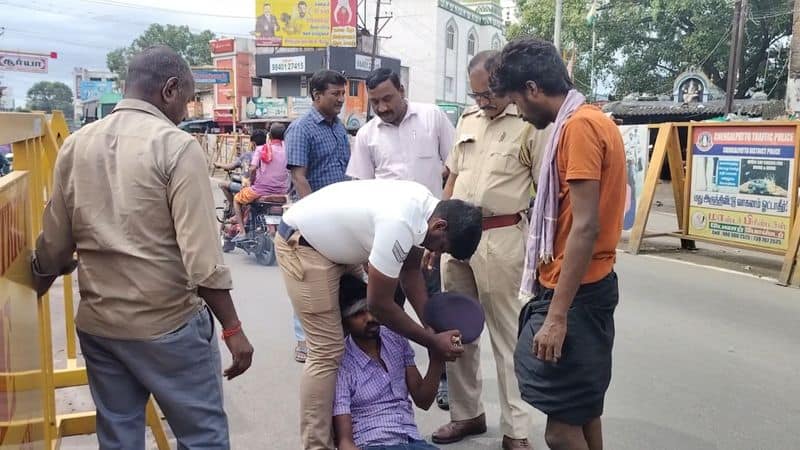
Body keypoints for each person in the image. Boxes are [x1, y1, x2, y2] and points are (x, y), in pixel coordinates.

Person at [30, 46, 254, 449]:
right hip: (167, 327)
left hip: (100, 327)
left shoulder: (76, 145)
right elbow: (203, 261)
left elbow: (54, 248)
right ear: (170, 89)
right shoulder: (177, 147)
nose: (186, 112)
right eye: (186, 100)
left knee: (118, 437)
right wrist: (233, 329)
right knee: (202, 437)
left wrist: (33, 286)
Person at [275, 179, 482, 450]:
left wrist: (433, 328)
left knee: (356, 336)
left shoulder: (423, 208)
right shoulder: (399, 222)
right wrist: (431, 342)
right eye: (441, 247)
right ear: (440, 226)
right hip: (304, 245)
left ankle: (356, 429)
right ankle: (319, 445)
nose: (436, 253)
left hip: (338, 250)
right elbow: (379, 304)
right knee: (328, 351)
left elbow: (409, 273)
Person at [490, 38, 626, 450]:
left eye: (515, 100)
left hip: (577, 292)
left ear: (532, 88)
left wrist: (557, 316)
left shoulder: (580, 128)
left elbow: (585, 226)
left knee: (559, 431)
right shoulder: (593, 119)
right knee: (584, 411)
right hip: (592, 285)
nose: (516, 110)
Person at [432, 51, 550, 450]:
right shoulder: (467, 120)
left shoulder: (528, 125)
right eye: (477, 94)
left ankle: (515, 430)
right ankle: (467, 415)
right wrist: (437, 232)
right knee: (457, 332)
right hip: (454, 241)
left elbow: (545, 191)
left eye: (491, 93)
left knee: (507, 337)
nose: (484, 101)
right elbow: (452, 179)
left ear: (506, 84)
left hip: (501, 240)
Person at [346, 67, 454, 410]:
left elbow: (455, 167)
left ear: (402, 90)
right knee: (380, 314)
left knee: (432, 310)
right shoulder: (366, 136)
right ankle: (380, 385)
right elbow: (360, 192)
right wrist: (368, 251)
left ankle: (443, 378)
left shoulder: (433, 118)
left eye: (388, 98)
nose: (382, 106)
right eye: (375, 101)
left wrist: (445, 219)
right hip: (386, 242)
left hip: (430, 240)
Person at [284, 69, 351, 365]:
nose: (340, 99)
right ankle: (303, 338)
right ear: (316, 95)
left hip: (341, 216)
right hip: (314, 219)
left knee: (337, 278)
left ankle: (338, 333)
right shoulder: (302, 129)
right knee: (310, 279)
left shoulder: (339, 128)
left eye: (342, 93)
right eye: (334, 94)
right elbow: (299, 177)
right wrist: (315, 221)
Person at [333, 274, 443, 450]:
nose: (369, 318)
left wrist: (438, 357)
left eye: (369, 309)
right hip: (373, 444)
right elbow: (345, 441)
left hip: (413, 441)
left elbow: (423, 400)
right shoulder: (342, 363)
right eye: (358, 314)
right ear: (345, 322)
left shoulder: (395, 338)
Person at [231, 125, 290, 241]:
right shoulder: (288, 150)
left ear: (270, 136)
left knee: (237, 199)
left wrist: (251, 182)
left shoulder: (262, 149)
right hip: (282, 191)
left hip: (260, 190)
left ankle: (242, 232)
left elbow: (252, 169)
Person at [214, 141, 254, 211]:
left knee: (222, 184)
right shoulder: (268, 155)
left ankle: (234, 208)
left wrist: (219, 165)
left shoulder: (247, 155)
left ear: (253, 143)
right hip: (266, 188)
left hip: (250, 188)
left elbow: (231, 166)